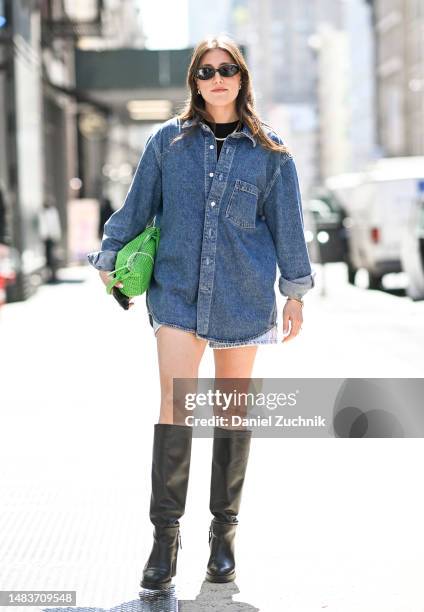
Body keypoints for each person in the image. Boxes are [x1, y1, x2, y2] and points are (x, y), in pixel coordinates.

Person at [87, 35, 316, 591]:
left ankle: (224, 537)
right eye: (205, 71)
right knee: (176, 404)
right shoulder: (167, 142)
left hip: (242, 293)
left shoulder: (272, 152)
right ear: (194, 80)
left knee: (233, 410)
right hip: (177, 293)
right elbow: (138, 205)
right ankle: (164, 541)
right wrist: (110, 253)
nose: (216, 79)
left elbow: (288, 227)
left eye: (227, 69)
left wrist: (296, 293)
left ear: (242, 77)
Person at [38, 198, 62, 283]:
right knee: (48, 258)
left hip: (52, 238)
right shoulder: (42, 212)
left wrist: (56, 236)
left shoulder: (52, 212)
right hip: (46, 239)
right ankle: (49, 275)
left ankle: (54, 275)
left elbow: (55, 225)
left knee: (53, 257)